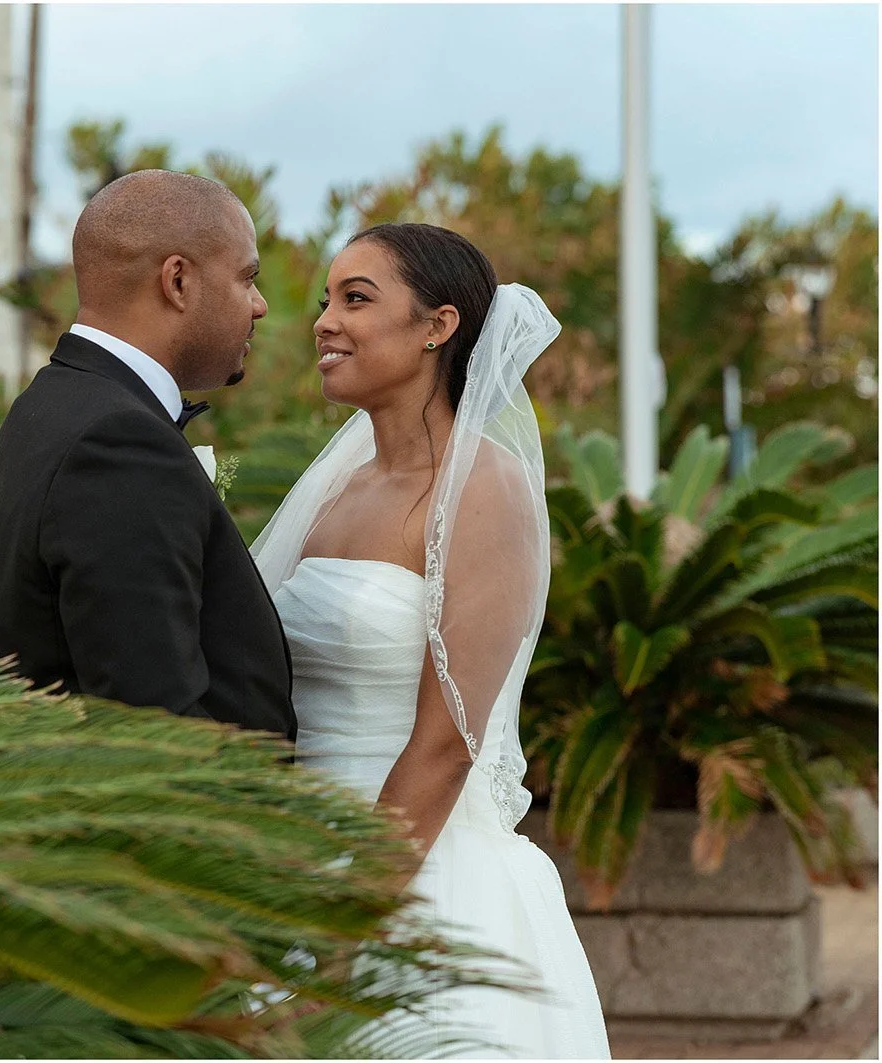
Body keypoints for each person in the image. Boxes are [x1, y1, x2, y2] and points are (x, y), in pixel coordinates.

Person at [254, 223, 610, 1057]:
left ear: (437, 326)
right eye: (326, 300)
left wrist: (337, 949)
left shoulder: (485, 487)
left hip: (421, 883)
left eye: (356, 298)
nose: (324, 321)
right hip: (293, 871)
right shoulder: (336, 490)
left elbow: (448, 744)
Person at [0, 168, 295, 737]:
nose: (260, 305)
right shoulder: (118, 442)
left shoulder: (49, 403)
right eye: (247, 278)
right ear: (178, 282)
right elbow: (155, 725)